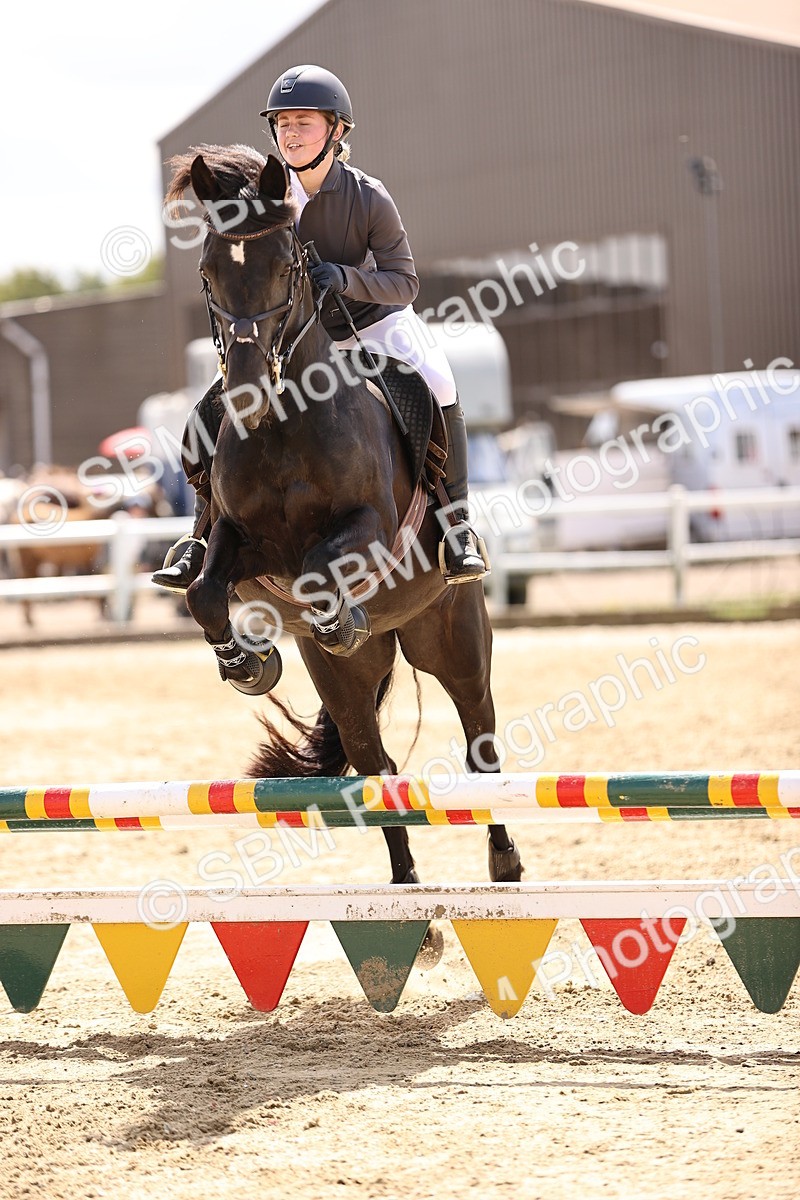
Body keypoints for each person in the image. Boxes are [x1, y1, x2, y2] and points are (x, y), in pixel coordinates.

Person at [153, 63, 488, 592]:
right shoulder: (262, 194)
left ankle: (457, 524)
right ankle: (201, 532)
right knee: (213, 403)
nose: (290, 133)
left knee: (440, 382)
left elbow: (405, 282)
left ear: (336, 130)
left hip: (371, 324)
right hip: (292, 336)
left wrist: (346, 278)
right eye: (282, 123)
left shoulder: (368, 196)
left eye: (303, 122)